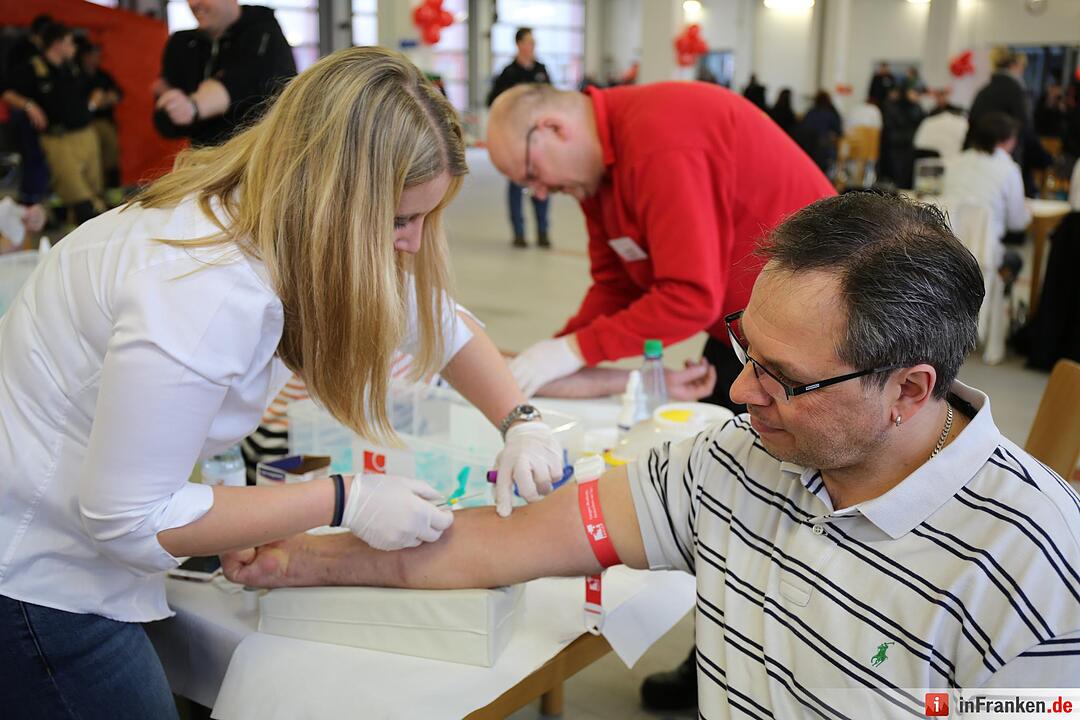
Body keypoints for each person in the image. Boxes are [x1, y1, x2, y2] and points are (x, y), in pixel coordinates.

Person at [224, 192, 1080, 714]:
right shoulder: (732, 462)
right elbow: (497, 543)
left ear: (909, 391)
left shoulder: (1037, 558)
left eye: (785, 379)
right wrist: (296, 560)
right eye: (743, 353)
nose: (740, 395)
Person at [0, 47, 564, 719]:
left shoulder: (271, 213)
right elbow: (128, 517)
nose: (410, 245)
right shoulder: (202, 291)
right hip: (38, 576)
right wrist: (342, 499)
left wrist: (521, 421)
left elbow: (435, 322)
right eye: (398, 222)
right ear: (332, 200)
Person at [485, 81, 834, 413]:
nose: (540, 193)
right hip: (748, 326)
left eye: (531, 174)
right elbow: (616, 286)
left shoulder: (658, 144)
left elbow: (690, 298)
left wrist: (574, 350)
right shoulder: (596, 178)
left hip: (816, 330)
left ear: (554, 129)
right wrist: (557, 352)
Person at [154, 0, 296, 147]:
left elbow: (244, 82)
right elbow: (168, 122)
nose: (194, 3)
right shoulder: (182, 43)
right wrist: (170, 108)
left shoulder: (264, 32)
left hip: (257, 158)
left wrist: (193, 107)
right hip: (202, 161)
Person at [6, 22, 103, 225]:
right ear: (57, 44)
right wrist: (29, 105)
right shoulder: (33, 69)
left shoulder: (72, 68)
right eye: (70, 43)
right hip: (59, 139)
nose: (74, 48)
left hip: (85, 135)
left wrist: (91, 104)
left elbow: (96, 88)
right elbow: (7, 92)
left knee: (95, 192)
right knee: (80, 199)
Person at [944, 111, 1030, 285]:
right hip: (983, 258)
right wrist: (1028, 211)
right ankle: (995, 305)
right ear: (1004, 140)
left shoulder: (954, 161)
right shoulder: (1009, 169)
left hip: (945, 251)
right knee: (1015, 260)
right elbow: (1016, 223)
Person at [486, 27, 552, 249]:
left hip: (538, 137)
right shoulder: (508, 73)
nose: (532, 46)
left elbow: (551, 99)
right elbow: (493, 101)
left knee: (541, 182)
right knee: (516, 183)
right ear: (519, 44)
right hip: (515, 137)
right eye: (528, 42)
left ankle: (543, 231)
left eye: (534, 42)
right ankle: (519, 233)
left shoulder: (542, 70)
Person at [0, 14, 53, 205]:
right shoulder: (22, 51)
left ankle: (35, 202)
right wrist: (28, 106)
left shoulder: (35, 51)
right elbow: (6, 88)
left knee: (38, 158)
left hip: (33, 111)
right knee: (32, 156)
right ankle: (29, 202)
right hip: (23, 111)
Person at [77, 40, 123, 189]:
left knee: (111, 156)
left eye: (98, 55)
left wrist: (110, 98)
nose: (96, 59)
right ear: (85, 56)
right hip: (85, 124)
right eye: (93, 55)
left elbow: (118, 93)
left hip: (104, 121)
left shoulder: (103, 75)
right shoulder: (77, 75)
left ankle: (111, 191)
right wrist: (94, 102)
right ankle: (92, 193)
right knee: (90, 159)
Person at [795, 90, 843, 174]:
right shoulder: (830, 114)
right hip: (823, 151)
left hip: (807, 150)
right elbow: (839, 131)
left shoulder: (810, 113)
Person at [913, 89, 968, 161]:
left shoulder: (958, 111)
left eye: (943, 95)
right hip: (936, 154)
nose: (941, 98)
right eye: (938, 96)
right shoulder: (930, 115)